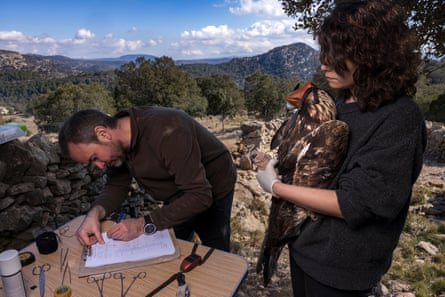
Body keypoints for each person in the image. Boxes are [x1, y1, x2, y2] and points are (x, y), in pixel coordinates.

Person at [254, 0, 427, 296]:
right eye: (326, 54)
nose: (324, 65)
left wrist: (276, 188)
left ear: (373, 57)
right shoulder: (338, 102)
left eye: (338, 57)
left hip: (342, 270)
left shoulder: (400, 118)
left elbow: (357, 203)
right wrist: (279, 164)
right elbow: (318, 169)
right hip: (303, 250)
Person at [58, 106, 237, 252]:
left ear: (103, 133)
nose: (99, 165)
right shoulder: (116, 147)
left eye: (94, 157)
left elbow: (200, 196)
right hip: (178, 193)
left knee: (216, 250)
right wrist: (94, 214)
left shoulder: (168, 130)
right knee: (175, 244)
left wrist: (142, 224)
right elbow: (116, 185)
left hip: (213, 186)